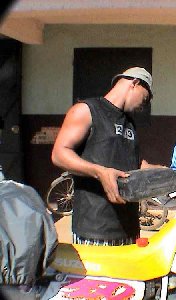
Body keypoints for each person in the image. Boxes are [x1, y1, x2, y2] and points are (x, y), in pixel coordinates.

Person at [52, 66, 159, 246]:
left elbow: (132, 164)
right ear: (135, 83)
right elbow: (59, 154)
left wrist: (162, 173)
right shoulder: (87, 110)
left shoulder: (129, 122)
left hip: (129, 229)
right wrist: (99, 172)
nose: (144, 105)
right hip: (95, 229)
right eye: (146, 98)